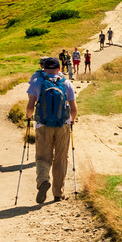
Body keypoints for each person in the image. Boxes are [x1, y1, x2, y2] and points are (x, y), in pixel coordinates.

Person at [24, 57, 77, 203]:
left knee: (42, 157)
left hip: (43, 125)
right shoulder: (66, 83)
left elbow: (30, 106)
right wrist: (70, 122)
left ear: (44, 69)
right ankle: (58, 193)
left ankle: (43, 181)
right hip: (63, 125)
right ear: (59, 69)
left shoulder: (37, 82)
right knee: (60, 158)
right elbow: (74, 109)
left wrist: (29, 117)